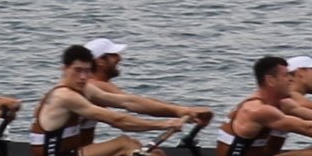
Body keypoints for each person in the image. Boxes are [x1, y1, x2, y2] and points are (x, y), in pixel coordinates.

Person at [29, 45, 193, 156]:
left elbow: (128, 102)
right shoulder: (64, 96)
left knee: (142, 147)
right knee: (124, 143)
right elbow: (117, 120)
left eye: (87, 71)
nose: (83, 77)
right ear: (64, 69)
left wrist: (180, 111)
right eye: (77, 70)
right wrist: (163, 125)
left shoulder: (85, 89)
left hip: (70, 154)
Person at [81, 37, 213, 126]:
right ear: (100, 61)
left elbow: (140, 101)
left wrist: (185, 110)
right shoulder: (95, 85)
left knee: (154, 153)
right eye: (114, 55)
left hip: (80, 151)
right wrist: (179, 112)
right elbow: (132, 103)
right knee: (127, 144)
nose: (120, 58)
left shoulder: (100, 85)